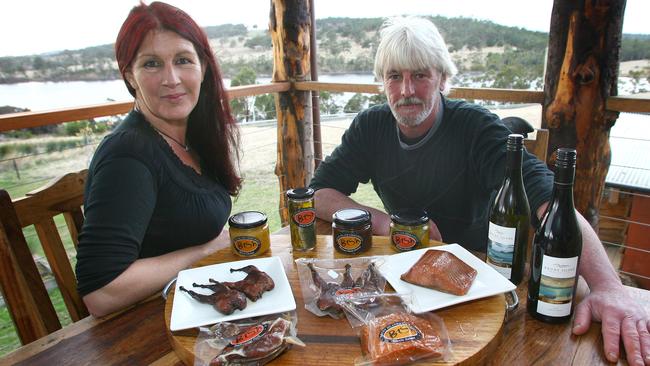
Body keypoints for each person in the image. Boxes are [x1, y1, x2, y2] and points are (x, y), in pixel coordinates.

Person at [309, 16, 650, 365]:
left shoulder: (475, 127)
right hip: (403, 276)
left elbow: (550, 199)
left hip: (479, 278)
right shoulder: (370, 127)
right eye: (395, 76)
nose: (407, 91)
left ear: (442, 78)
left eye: (420, 75)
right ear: (383, 82)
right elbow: (319, 193)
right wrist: (383, 222)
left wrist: (608, 286)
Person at [75, 1, 240, 317]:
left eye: (183, 60)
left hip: (195, 305)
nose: (172, 79)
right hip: (144, 326)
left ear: (203, 69)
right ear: (130, 77)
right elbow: (100, 293)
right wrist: (207, 249)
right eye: (151, 64)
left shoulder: (191, 137)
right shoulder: (128, 156)